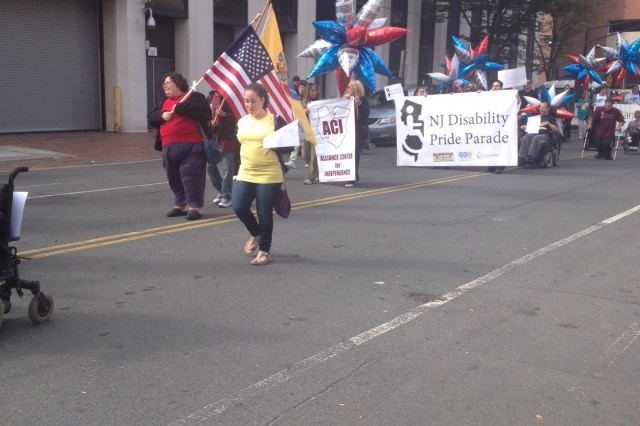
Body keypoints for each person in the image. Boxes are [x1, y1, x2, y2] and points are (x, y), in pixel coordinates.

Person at [233, 83, 288, 266]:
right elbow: (239, 146)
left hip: (269, 172)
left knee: (264, 212)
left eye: (253, 101)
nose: (249, 105)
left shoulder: (275, 120)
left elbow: (291, 143)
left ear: (263, 100)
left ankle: (264, 250)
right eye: (246, 101)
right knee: (239, 207)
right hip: (246, 171)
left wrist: (275, 145)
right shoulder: (242, 121)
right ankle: (256, 233)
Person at [148, 72, 210, 221]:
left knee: (191, 176)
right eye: (164, 84)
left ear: (179, 84)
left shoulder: (194, 97)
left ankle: (195, 207)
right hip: (168, 147)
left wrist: (180, 107)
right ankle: (180, 204)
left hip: (193, 146)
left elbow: (205, 113)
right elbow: (151, 117)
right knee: (173, 177)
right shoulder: (163, 102)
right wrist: (162, 115)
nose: (165, 86)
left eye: (168, 83)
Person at [207, 90, 239, 208]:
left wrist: (225, 114)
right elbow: (206, 115)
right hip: (214, 136)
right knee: (210, 166)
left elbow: (238, 115)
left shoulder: (230, 97)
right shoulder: (211, 96)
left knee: (227, 169)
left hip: (227, 136)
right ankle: (221, 190)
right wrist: (210, 123)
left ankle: (227, 196)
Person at [343, 80, 370, 188]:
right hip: (347, 132)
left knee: (354, 156)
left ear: (355, 88)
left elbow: (365, 115)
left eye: (349, 87)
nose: (347, 89)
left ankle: (352, 178)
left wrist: (359, 104)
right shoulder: (346, 98)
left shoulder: (363, 100)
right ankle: (353, 175)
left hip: (358, 133)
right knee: (348, 155)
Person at [302, 83, 321, 185]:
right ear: (308, 91)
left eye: (315, 90)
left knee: (314, 156)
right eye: (312, 91)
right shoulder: (303, 103)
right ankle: (317, 171)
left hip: (317, 132)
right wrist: (303, 112)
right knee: (305, 155)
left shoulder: (320, 102)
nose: (314, 92)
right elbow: (296, 116)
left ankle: (311, 177)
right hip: (305, 132)